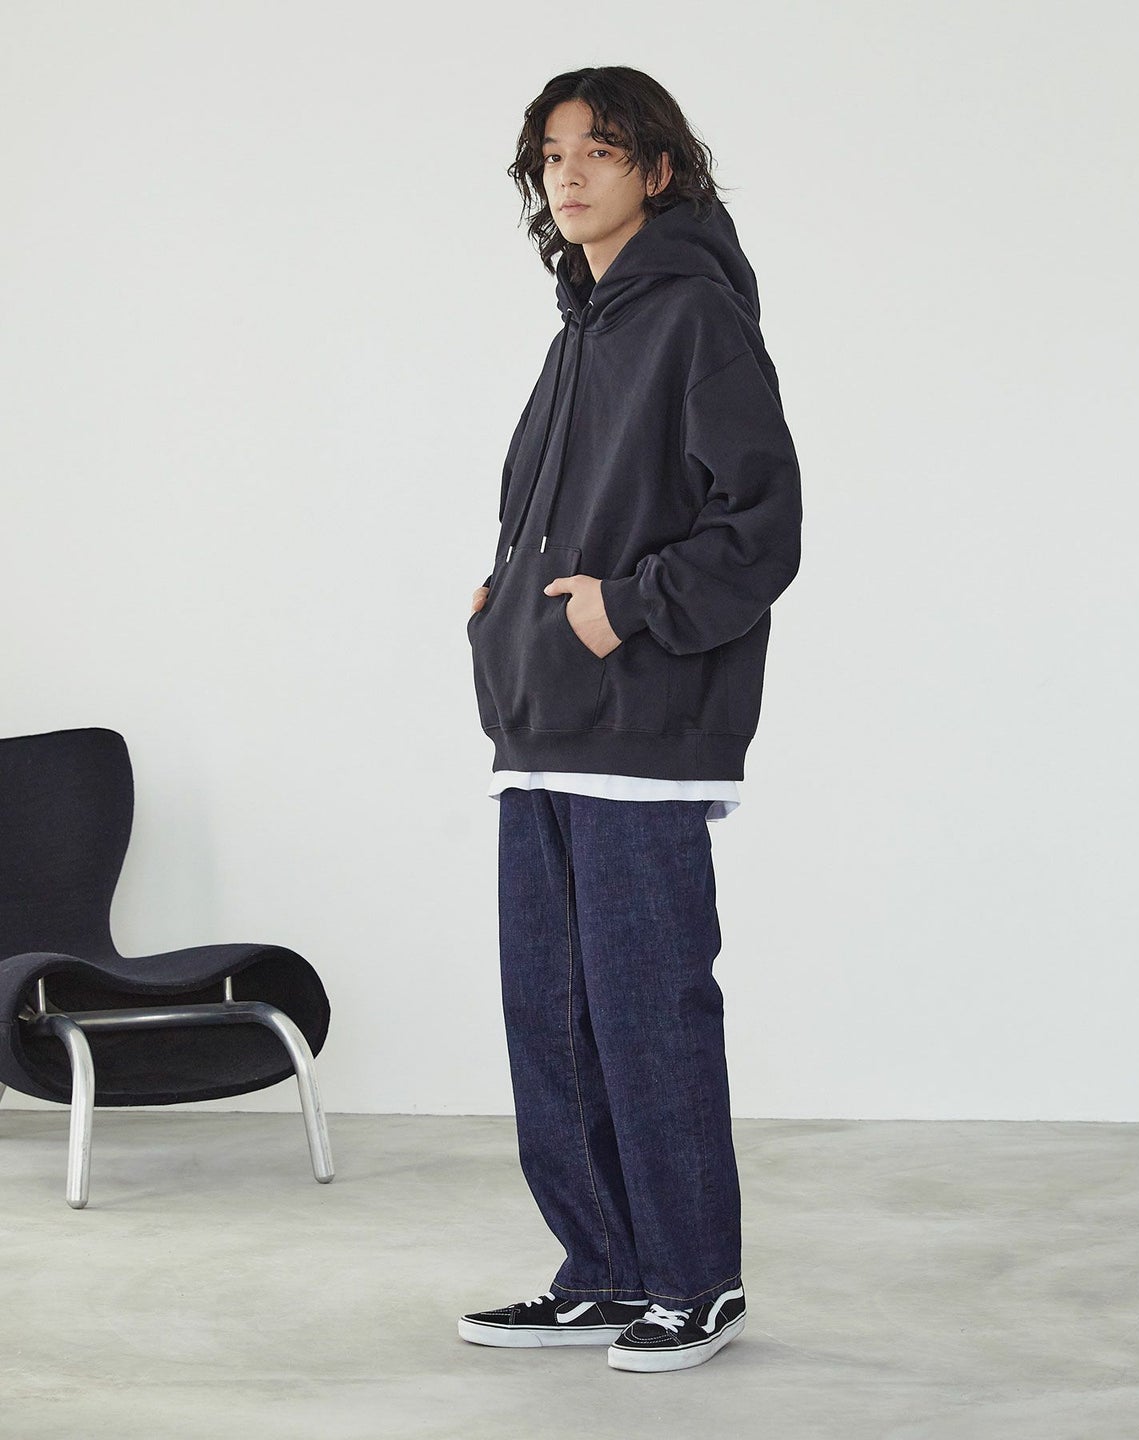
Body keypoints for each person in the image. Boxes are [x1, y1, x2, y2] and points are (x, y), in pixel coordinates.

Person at [460, 65, 802, 1374]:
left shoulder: (694, 315)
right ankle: (602, 1271)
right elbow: (553, 513)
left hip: (640, 731)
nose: (569, 173)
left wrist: (627, 609)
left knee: (648, 1012)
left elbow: (759, 525)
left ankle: (694, 1279)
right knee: (551, 1020)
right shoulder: (583, 328)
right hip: (541, 724)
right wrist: (505, 602)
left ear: (658, 172)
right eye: (552, 154)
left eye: (599, 150)